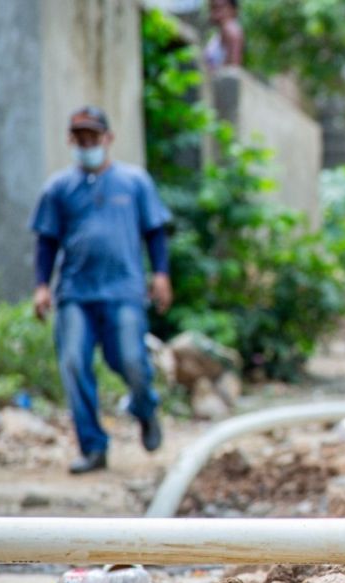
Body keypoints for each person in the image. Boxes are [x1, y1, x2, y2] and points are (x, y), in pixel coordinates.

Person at [30, 106, 173, 475]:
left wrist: (160, 274)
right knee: (74, 364)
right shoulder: (58, 189)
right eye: (80, 138)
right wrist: (42, 286)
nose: (87, 144)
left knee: (130, 360)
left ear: (107, 139)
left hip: (123, 290)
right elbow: (46, 241)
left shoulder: (134, 182)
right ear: (70, 141)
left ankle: (144, 408)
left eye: (93, 137)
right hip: (76, 293)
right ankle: (93, 447)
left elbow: (155, 232)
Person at [205, 0, 244, 70]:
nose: (214, 12)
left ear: (232, 9)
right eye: (212, 7)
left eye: (219, 7)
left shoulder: (231, 30)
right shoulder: (221, 31)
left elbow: (233, 67)